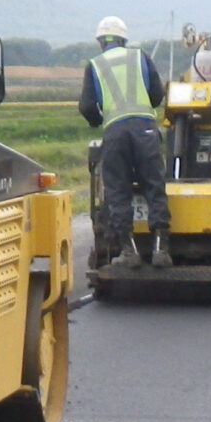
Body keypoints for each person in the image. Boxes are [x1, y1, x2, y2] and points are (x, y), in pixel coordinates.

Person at [80, 16, 170, 267]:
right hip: (145, 129)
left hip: (115, 132)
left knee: (118, 190)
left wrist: (99, 120)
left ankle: (129, 252)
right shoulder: (140, 57)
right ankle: (161, 249)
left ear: (101, 42)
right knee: (154, 184)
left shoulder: (95, 65)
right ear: (123, 39)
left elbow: (87, 106)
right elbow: (157, 94)